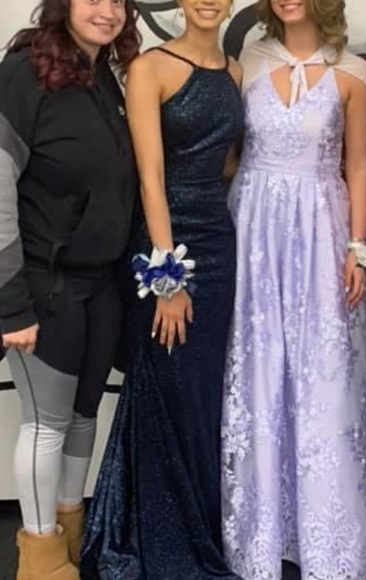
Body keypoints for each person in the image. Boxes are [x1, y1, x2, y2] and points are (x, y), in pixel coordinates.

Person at [220, 1, 366, 578]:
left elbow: (357, 166)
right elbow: (230, 155)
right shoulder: (247, 62)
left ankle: (330, 537)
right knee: (261, 368)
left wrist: (357, 248)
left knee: (325, 373)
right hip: (255, 229)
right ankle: (262, 532)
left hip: (323, 229)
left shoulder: (353, 73)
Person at [80, 0, 245, 578]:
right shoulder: (148, 67)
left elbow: (227, 165)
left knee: (201, 395)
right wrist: (167, 277)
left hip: (219, 243)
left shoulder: (235, 71)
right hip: (164, 246)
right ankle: (159, 538)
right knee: (166, 386)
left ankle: (197, 527)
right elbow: (150, 176)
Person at [0, 0, 140, 578]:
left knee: (83, 416)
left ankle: (72, 538)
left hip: (100, 284)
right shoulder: (22, 72)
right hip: (43, 284)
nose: (107, 11)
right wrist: (11, 305)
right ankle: (39, 558)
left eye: (118, 1)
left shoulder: (103, 75)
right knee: (46, 423)